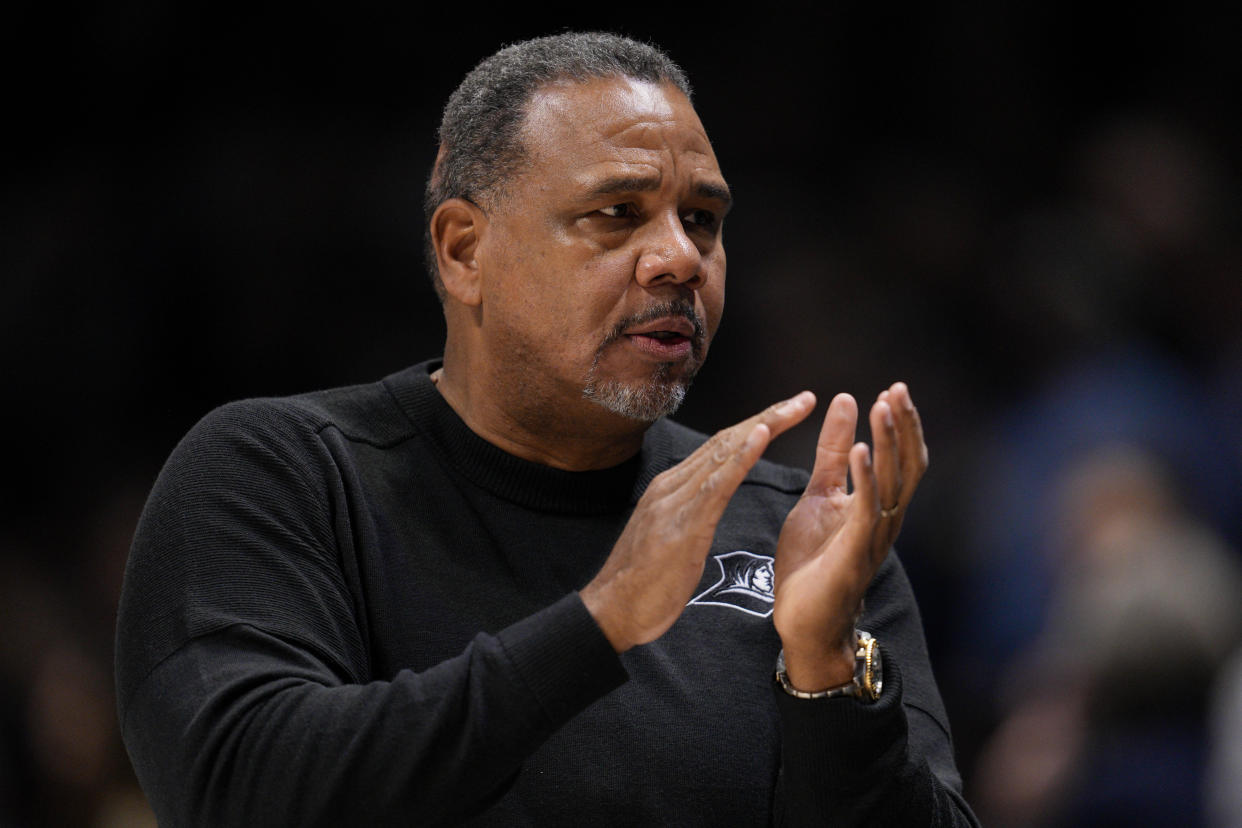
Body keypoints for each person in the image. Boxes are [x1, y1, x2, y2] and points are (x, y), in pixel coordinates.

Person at [115, 32, 978, 826]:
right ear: (464, 251)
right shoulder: (283, 476)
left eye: (703, 219)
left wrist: (826, 672)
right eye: (617, 213)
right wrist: (599, 622)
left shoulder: (802, 533)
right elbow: (233, 790)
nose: (681, 257)